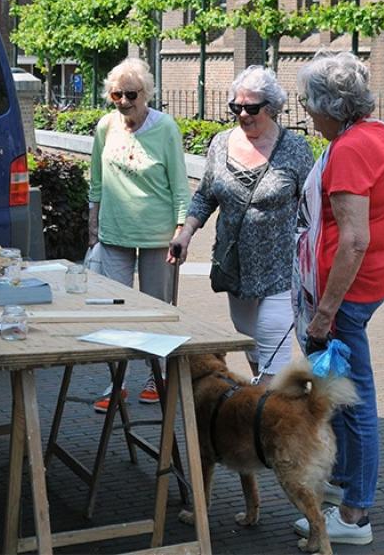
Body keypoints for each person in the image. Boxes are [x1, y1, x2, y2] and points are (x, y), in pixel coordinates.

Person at [290, 51, 384, 546]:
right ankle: (345, 490)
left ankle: (356, 514)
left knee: (353, 400)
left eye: (308, 104)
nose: (306, 113)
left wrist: (324, 312)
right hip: (373, 281)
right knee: (342, 395)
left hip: (347, 294)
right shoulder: (382, 135)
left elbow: (354, 238)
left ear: (328, 106)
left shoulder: (348, 149)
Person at [170, 67, 313, 381]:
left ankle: (272, 415)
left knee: (271, 340)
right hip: (236, 266)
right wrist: (186, 233)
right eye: (236, 108)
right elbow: (206, 195)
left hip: (280, 267)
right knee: (249, 336)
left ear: (272, 108)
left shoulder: (295, 148)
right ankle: (265, 401)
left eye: (252, 108)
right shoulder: (221, 144)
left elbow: (313, 205)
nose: (243, 115)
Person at [88, 57, 190, 411]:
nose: (124, 101)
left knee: (154, 309)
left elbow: (180, 186)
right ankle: (116, 382)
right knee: (115, 311)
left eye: (131, 94)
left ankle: (155, 376)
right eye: (117, 94)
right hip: (114, 233)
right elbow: (96, 181)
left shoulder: (166, 129)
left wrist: (181, 231)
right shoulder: (105, 127)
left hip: (156, 236)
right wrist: (92, 228)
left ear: (146, 93)